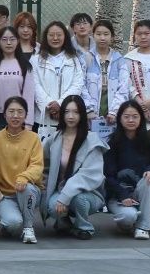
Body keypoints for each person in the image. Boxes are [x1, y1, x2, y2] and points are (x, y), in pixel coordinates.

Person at [39, 94, 106, 239]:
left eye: (76, 112)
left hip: (88, 193)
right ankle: (63, 222)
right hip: (61, 190)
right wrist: (44, 188)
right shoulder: (54, 139)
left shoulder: (91, 140)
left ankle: (84, 227)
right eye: (67, 112)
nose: (71, 116)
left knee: (79, 199)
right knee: (52, 207)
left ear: (82, 115)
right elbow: (45, 168)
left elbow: (87, 176)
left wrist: (65, 197)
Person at [104, 100, 150, 240]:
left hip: (143, 191)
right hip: (119, 195)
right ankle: (129, 221)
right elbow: (108, 175)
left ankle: (142, 227)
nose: (131, 120)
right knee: (127, 218)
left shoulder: (149, 141)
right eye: (126, 116)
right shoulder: (113, 143)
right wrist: (123, 194)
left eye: (135, 116)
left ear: (141, 118)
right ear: (119, 119)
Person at [0, 95, 42, 244]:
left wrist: (24, 178)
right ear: (4, 115)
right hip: (6, 195)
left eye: (20, 112)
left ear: (26, 115)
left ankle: (28, 227)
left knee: (26, 188)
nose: (15, 116)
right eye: (11, 112)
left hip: (28, 191)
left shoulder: (34, 138)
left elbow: (37, 165)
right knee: (12, 223)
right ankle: (10, 224)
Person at [32, 21, 86, 139]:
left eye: (59, 35)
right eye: (51, 35)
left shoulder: (74, 60)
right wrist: (50, 106)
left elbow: (77, 84)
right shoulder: (35, 60)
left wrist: (61, 104)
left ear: (65, 37)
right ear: (46, 37)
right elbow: (35, 86)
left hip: (68, 115)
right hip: (43, 117)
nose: (55, 38)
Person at [84, 19, 127, 136]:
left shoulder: (119, 60)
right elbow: (80, 85)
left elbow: (124, 88)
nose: (102, 38)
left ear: (112, 37)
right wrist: (89, 110)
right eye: (98, 34)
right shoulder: (86, 58)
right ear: (93, 35)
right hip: (90, 115)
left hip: (113, 115)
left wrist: (114, 112)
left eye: (106, 34)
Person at [0, 26, 35, 133]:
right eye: (4, 39)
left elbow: (29, 95)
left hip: (18, 115)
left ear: (18, 41)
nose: (8, 43)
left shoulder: (25, 65)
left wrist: (28, 123)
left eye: (12, 39)